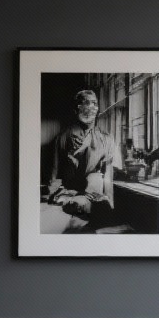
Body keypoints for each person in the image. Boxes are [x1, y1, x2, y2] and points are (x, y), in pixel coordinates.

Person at [47, 88, 116, 227]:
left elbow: (108, 175)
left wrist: (110, 201)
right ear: (76, 109)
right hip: (68, 196)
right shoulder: (63, 138)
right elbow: (54, 175)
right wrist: (54, 196)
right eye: (85, 103)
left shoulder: (106, 139)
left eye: (94, 103)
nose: (90, 107)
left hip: (94, 196)